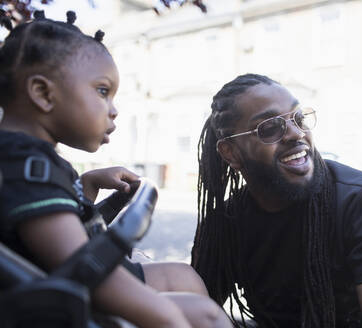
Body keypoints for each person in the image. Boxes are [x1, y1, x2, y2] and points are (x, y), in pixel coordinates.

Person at [0, 11, 232, 328]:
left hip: (58, 283)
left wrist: (88, 184)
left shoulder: (23, 158)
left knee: (184, 275)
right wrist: (168, 318)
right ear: (43, 93)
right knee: (206, 316)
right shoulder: (28, 166)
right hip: (59, 303)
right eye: (102, 91)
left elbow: (52, 228)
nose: (114, 110)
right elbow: (83, 265)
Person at [191, 73, 362, 328]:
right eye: (270, 127)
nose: (296, 133)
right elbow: (193, 311)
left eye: (299, 118)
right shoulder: (228, 222)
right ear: (231, 153)